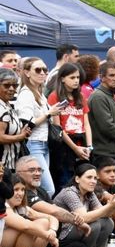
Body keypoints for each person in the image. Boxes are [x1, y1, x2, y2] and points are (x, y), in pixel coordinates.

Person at [52, 163, 115, 247]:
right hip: (62, 233)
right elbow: (84, 217)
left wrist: (112, 206)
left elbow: (106, 214)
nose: (93, 181)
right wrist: (109, 207)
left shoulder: (90, 193)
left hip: (77, 228)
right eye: (89, 177)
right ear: (77, 179)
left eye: (95, 178)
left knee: (107, 222)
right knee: (95, 225)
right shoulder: (69, 192)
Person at [15, 58, 64, 196]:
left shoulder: (40, 93)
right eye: (38, 70)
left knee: (38, 189)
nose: (42, 73)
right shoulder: (26, 94)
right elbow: (26, 123)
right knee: (48, 189)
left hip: (44, 144)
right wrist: (49, 113)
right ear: (27, 72)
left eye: (44, 70)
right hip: (33, 143)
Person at [49, 62, 93, 187]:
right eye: (72, 77)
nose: (76, 81)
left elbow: (87, 124)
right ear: (62, 78)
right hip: (65, 145)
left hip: (82, 142)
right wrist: (74, 148)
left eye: (78, 78)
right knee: (66, 181)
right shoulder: (54, 97)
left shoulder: (80, 97)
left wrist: (89, 146)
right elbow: (57, 127)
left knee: (82, 181)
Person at [87, 62, 115, 165]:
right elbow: (107, 126)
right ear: (102, 77)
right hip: (103, 153)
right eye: (111, 75)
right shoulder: (98, 96)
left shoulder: (114, 94)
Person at [0, 68, 32, 172]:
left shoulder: (8, 105)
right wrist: (20, 136)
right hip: (3, 166)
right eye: (6, 85)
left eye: (15, 85)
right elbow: (0, 137)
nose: (11, 89)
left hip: (11, 163)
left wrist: (23, 131)